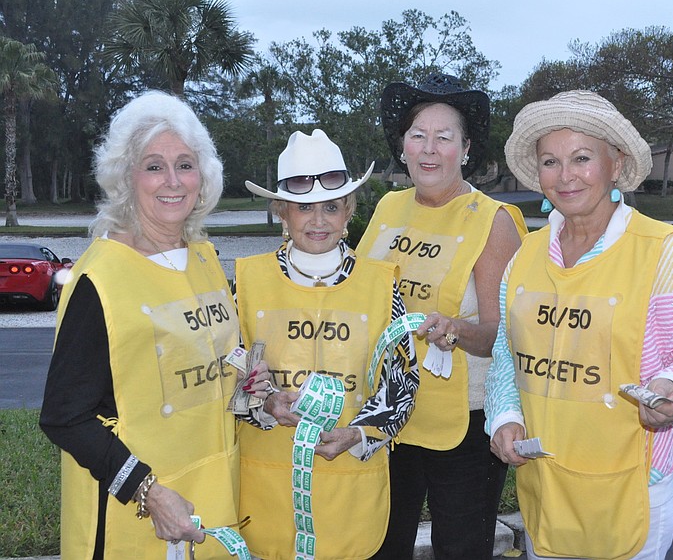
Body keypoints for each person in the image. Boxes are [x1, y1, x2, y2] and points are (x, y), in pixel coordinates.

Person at [486, 90, 673, 559]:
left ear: (615, 165)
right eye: (550, 161)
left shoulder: (662, 250)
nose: (565, 176)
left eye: (581, 158)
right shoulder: (526, 255)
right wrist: (506, 416)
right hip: (546, 487)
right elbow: (507, 348)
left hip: (635, 485)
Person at [39, 90, 269, 559]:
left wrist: (252, 388)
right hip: (139, 514)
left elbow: (215, 363)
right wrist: (148, 491)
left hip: (211, 498)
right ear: (126, 177)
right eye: (154, 166)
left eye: (185, 164)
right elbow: (64, 416)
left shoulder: (204, 259)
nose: (173, 181)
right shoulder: (100, 277)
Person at [357, 73, 527, 560]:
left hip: (464, 430)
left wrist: (456, 329)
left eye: (444, 137)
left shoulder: (493, 221)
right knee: (381, 546)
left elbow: (505, 336)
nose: (429, 149)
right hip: (388, 419)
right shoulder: (388, 208)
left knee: (461, 550)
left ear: (466, 148)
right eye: (418, 135)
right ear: (403, 146)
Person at [237, 129, 419, 559]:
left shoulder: (381, 283)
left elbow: (402, 382)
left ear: (349, 210)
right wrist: (263, 403)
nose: (318, 220)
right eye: (304, 208)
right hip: (269, 490)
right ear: (282, 211)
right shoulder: (246, 282)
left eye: (331, 207)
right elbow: (230, 376)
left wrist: (358, 434)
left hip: (352, 492)